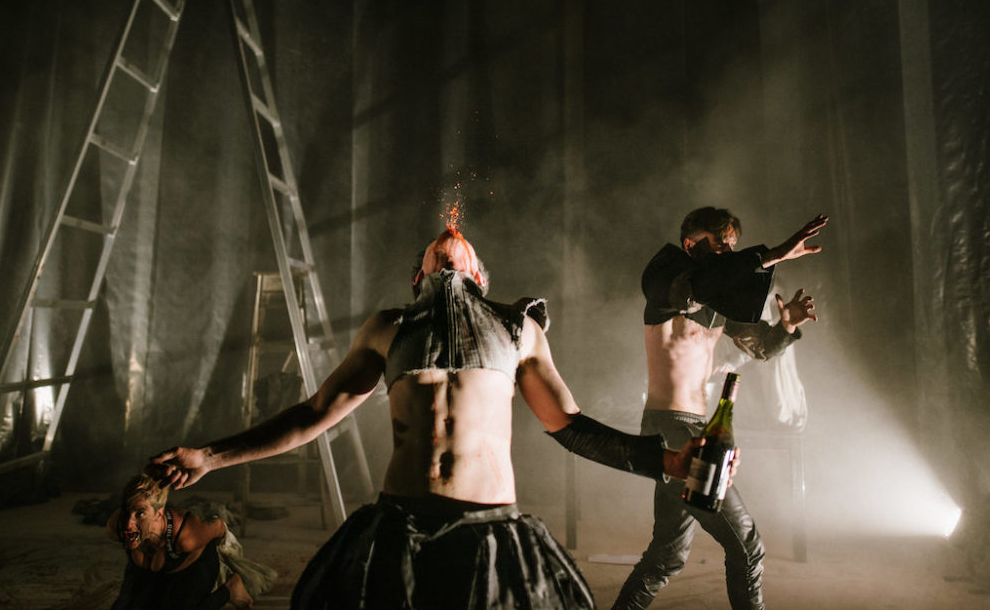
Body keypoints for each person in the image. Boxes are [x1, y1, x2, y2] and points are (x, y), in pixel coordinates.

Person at [151, 227, 722, 609]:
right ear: (418, 277)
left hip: (490, 530)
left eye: (461, 244)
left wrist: (665, 460)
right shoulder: (389, 329)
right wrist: (208, 457)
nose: (449, 239)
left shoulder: (517, 330)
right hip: (400, 526)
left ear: (478, 276)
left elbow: (570, 426)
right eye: (435, 245)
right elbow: (315, 413)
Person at [612, 207, 827, 610]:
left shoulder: (717, 304)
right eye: (720, 243)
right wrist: (776, 252)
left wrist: (787, 326)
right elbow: (695, 287)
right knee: (746, 544)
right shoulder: (665, 281)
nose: (729, 250)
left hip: (694, 426)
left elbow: (761, 347)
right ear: (691, 243)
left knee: (667, 556)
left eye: (732, 243)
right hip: (671, 426)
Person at [107, 472, 265, 609]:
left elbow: (218, 527)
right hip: (158, 569)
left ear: (158, 514)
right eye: (127, 511)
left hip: (194, 563)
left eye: (140, 514)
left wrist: (228, 557)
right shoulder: (117, 526)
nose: (128, 523)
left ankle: (230, 589)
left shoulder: (187, 535)